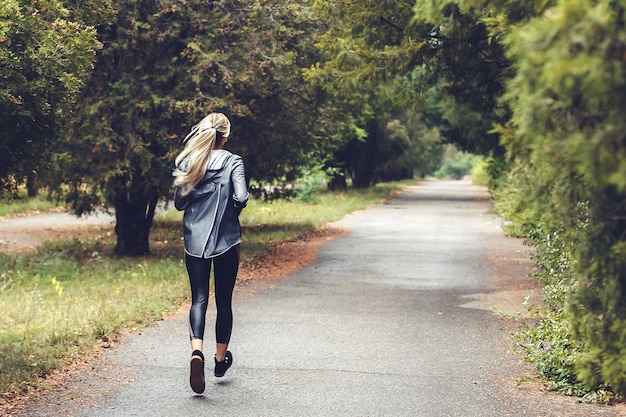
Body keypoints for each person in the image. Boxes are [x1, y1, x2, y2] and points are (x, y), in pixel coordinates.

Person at [173, 112, 249, 394]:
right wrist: (231, 212)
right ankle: (219, 361)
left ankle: (196, 352)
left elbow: (180, 203)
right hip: (227, 240)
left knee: (199, 298)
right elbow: (241, 197)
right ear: (226, 137)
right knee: (224, 301)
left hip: (194, 240)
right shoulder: (233, 161)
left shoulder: (189, 161)